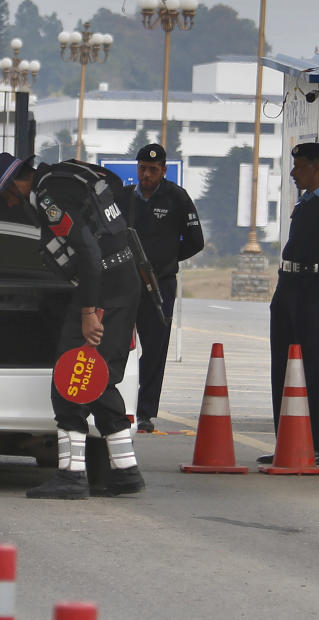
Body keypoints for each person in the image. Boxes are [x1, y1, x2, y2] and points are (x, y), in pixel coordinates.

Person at [0, 152, 145, 499]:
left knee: (70, 375)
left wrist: (88, 311)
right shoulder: (66, 176)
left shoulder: (47, 196)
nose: (10, 204)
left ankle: (71, 476)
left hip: (101, 289)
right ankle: (126, 469)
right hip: (124, 282)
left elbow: (87, 251)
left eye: (7, 195)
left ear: (14, 183)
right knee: (97, 375)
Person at [258, 142, 319, 465]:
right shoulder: (306, 203)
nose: (293, 173)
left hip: (315, 289)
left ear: (317, 168)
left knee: (314, 365)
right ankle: (286, 440)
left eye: (299, 166)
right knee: (282, 364)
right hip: (290, 287)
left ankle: (318, 442)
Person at [121, 143, 204, 432]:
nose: (146, 174)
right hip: (127, 283)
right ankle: (119, 405)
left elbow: (196, 241)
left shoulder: (176, 198)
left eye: (153, 170)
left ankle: (144, 412)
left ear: (164, 170)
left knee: (155, 350)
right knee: (119, 345)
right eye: (142, 168)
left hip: (160, 285)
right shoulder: (126, 198)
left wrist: (168, 259)